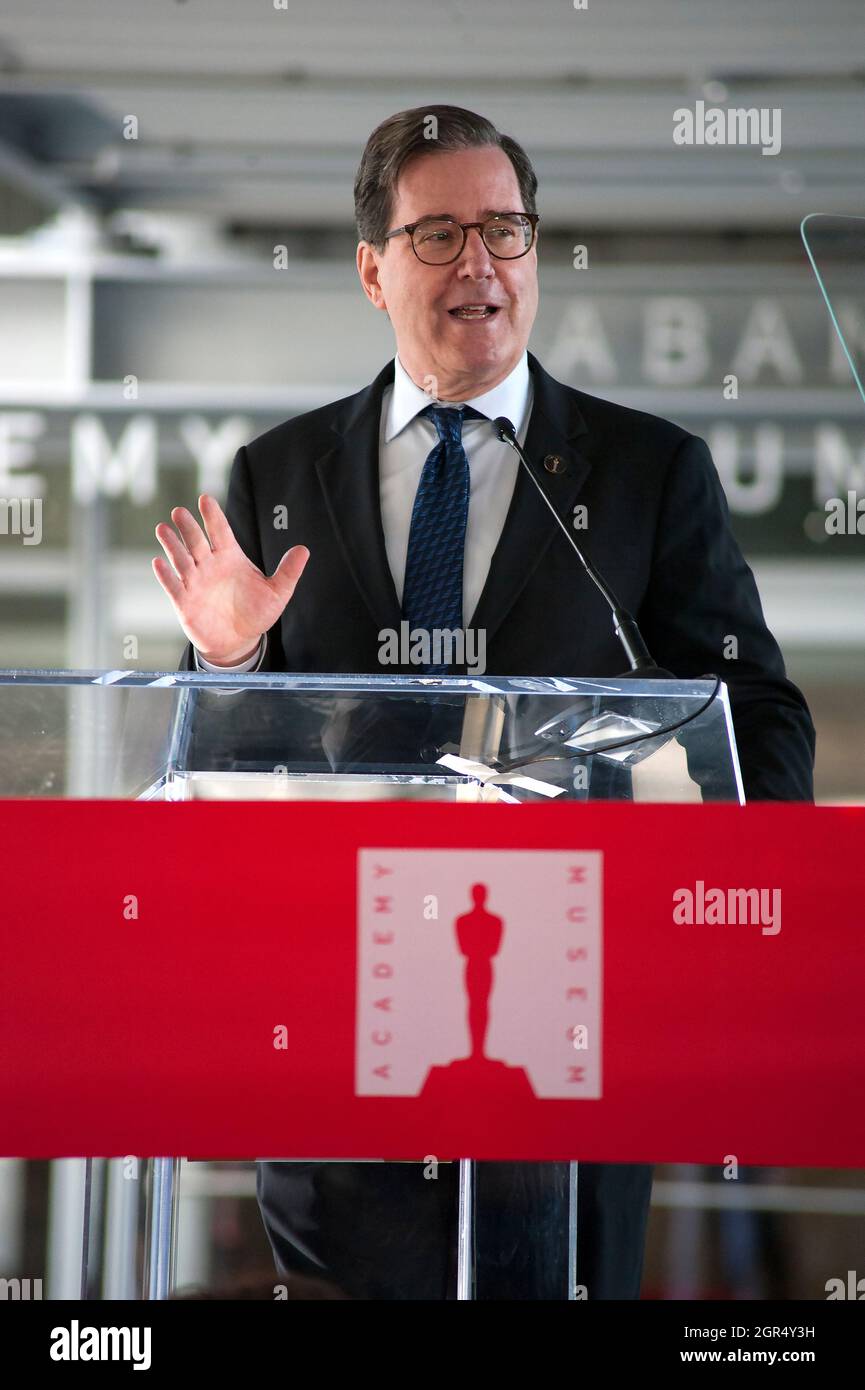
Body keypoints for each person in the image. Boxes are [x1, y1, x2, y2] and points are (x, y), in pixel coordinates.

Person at [151, 104, 815, 1299]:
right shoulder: (279, 475)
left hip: (565, 1022)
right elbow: (212, 757)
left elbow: (759, 716)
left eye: (506, 229)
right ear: (370, 268)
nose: (481, 264)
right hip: (338, 1033)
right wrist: (235, 666)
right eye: (440, 233)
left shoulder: (647, 472)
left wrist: (718, 922)